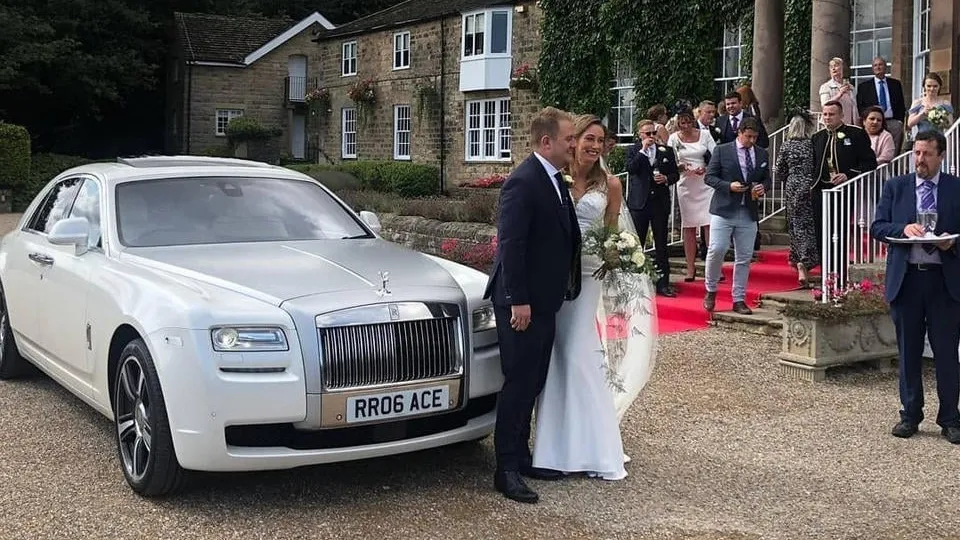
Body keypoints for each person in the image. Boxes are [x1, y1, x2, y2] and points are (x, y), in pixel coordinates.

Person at [532, 114, 657, 481]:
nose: (593, 146)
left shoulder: (611, 185)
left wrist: (615, 254)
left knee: (577, 351)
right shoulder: (557, 177)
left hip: (587, 278)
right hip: (554, 277)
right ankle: (556, 447)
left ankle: (596, 446)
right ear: (574, 141)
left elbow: (611, 231)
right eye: (588, 138)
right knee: (556, 355)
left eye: (600, 141)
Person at [482, 107, 580, 504]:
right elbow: (511, 245)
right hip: (522, 305)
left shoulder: (554, 180)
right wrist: (518, 300)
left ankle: (522, 457)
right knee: (519, 384)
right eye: (569, 138)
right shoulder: (523, 182)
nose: (574, 144)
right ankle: (505, 469)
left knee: (534, 382)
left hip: (545, 301)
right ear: (547, 142)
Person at [869, 130, 960, 445]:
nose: (919, 160)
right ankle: (910, 414)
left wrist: (951, 245)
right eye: (916, 153)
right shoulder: (896, 187)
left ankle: (950, 417)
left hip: (943, 283)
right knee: (908, 352)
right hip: (907, 280)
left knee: (947, 353)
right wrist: (902, 228)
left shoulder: (955, 188)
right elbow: (878, 226)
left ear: (941, 155)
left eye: (926, 154)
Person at [702, 118, 771, 315]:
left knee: (744, 257)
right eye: (748, 136)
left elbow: (767, 178)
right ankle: (711, 289)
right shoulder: (723, 150)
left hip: (748, 211)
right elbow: (710, 177)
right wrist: (728, 186)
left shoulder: (761, 153)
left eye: (754, 137)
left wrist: (763, 187)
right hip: (724, 208)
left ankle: (739, 298)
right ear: (739, 133)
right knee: (717, 249)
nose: (751, 140)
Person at [810, 100, 877, 287]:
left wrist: (848, 175)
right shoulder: (817, 137)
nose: (827, 118)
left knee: (838, 234)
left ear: (841, 116)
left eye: (831, 114)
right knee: (821, 234)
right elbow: (813, 165)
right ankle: (826, 277)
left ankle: (839, 276)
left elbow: (869, 162)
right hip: (819, 191)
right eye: (825, 114)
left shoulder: (855, 134)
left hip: (842, 192)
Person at [625, 119, 680, 297]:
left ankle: (663, 284)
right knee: (636, 244)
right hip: (639, 203)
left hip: (659, 203)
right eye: (647, 134)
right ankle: (635, 282)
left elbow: (675, 174)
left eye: (653, 133)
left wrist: (666, 178)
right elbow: (631, 169)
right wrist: (642, 151)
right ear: (640, 135)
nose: (651, 137)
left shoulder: (666, 151)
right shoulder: (633, 150)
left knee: (661, 244)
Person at [668, 106, 716, 281]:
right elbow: (669, 160)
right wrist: (681, 167)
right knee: (688, 227)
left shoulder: (704, 135)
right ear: (678, 123)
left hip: (704, 183)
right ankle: (690, 268)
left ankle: (712, 267)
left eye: (688, 122)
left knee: (708, 225)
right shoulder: (673, 138)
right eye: (682, 123)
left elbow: (716, 154)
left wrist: (707, 168)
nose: (685, 126)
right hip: (686, 183)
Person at [775, 110, 819, 286]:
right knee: (806, 225)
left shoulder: (786, 145)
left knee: (795, 224)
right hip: (809, 185)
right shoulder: (811, 144)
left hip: (792, 185)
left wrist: (790, 177)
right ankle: (804, 261)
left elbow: (779, 171)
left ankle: (798, 259)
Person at [856, 56, 906, 152]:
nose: (878, 67)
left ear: (885, 67)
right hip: (874, 123)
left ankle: (893, 167)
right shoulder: (864, 87)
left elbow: (901, 104)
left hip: (893, 123)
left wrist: (900, 121)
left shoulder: (895, 84)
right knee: (875, 148)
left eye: (880, 65)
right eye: (875, 65)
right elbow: (860, 107)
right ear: (872, 68)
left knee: (894, 150)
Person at [907, 72, 955, 138]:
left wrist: (940, 120)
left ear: (939, 86)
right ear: (924, 86)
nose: (932, 89)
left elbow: (950, 123)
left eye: (935, 86)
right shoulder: (917, 103)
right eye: (929, 86)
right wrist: (922, 114)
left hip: (939, 138)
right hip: (922, 138)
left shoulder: (945, 103)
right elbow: (910, 124)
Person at [818, 57, 858, 126]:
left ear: (842, 68)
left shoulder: (851, 88)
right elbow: (825, 105)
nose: (833, 68)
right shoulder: (826, 87)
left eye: (836, 66)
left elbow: (854, 107)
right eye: (831, 67)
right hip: (832, 124)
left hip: (849, 124)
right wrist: (839, 94)